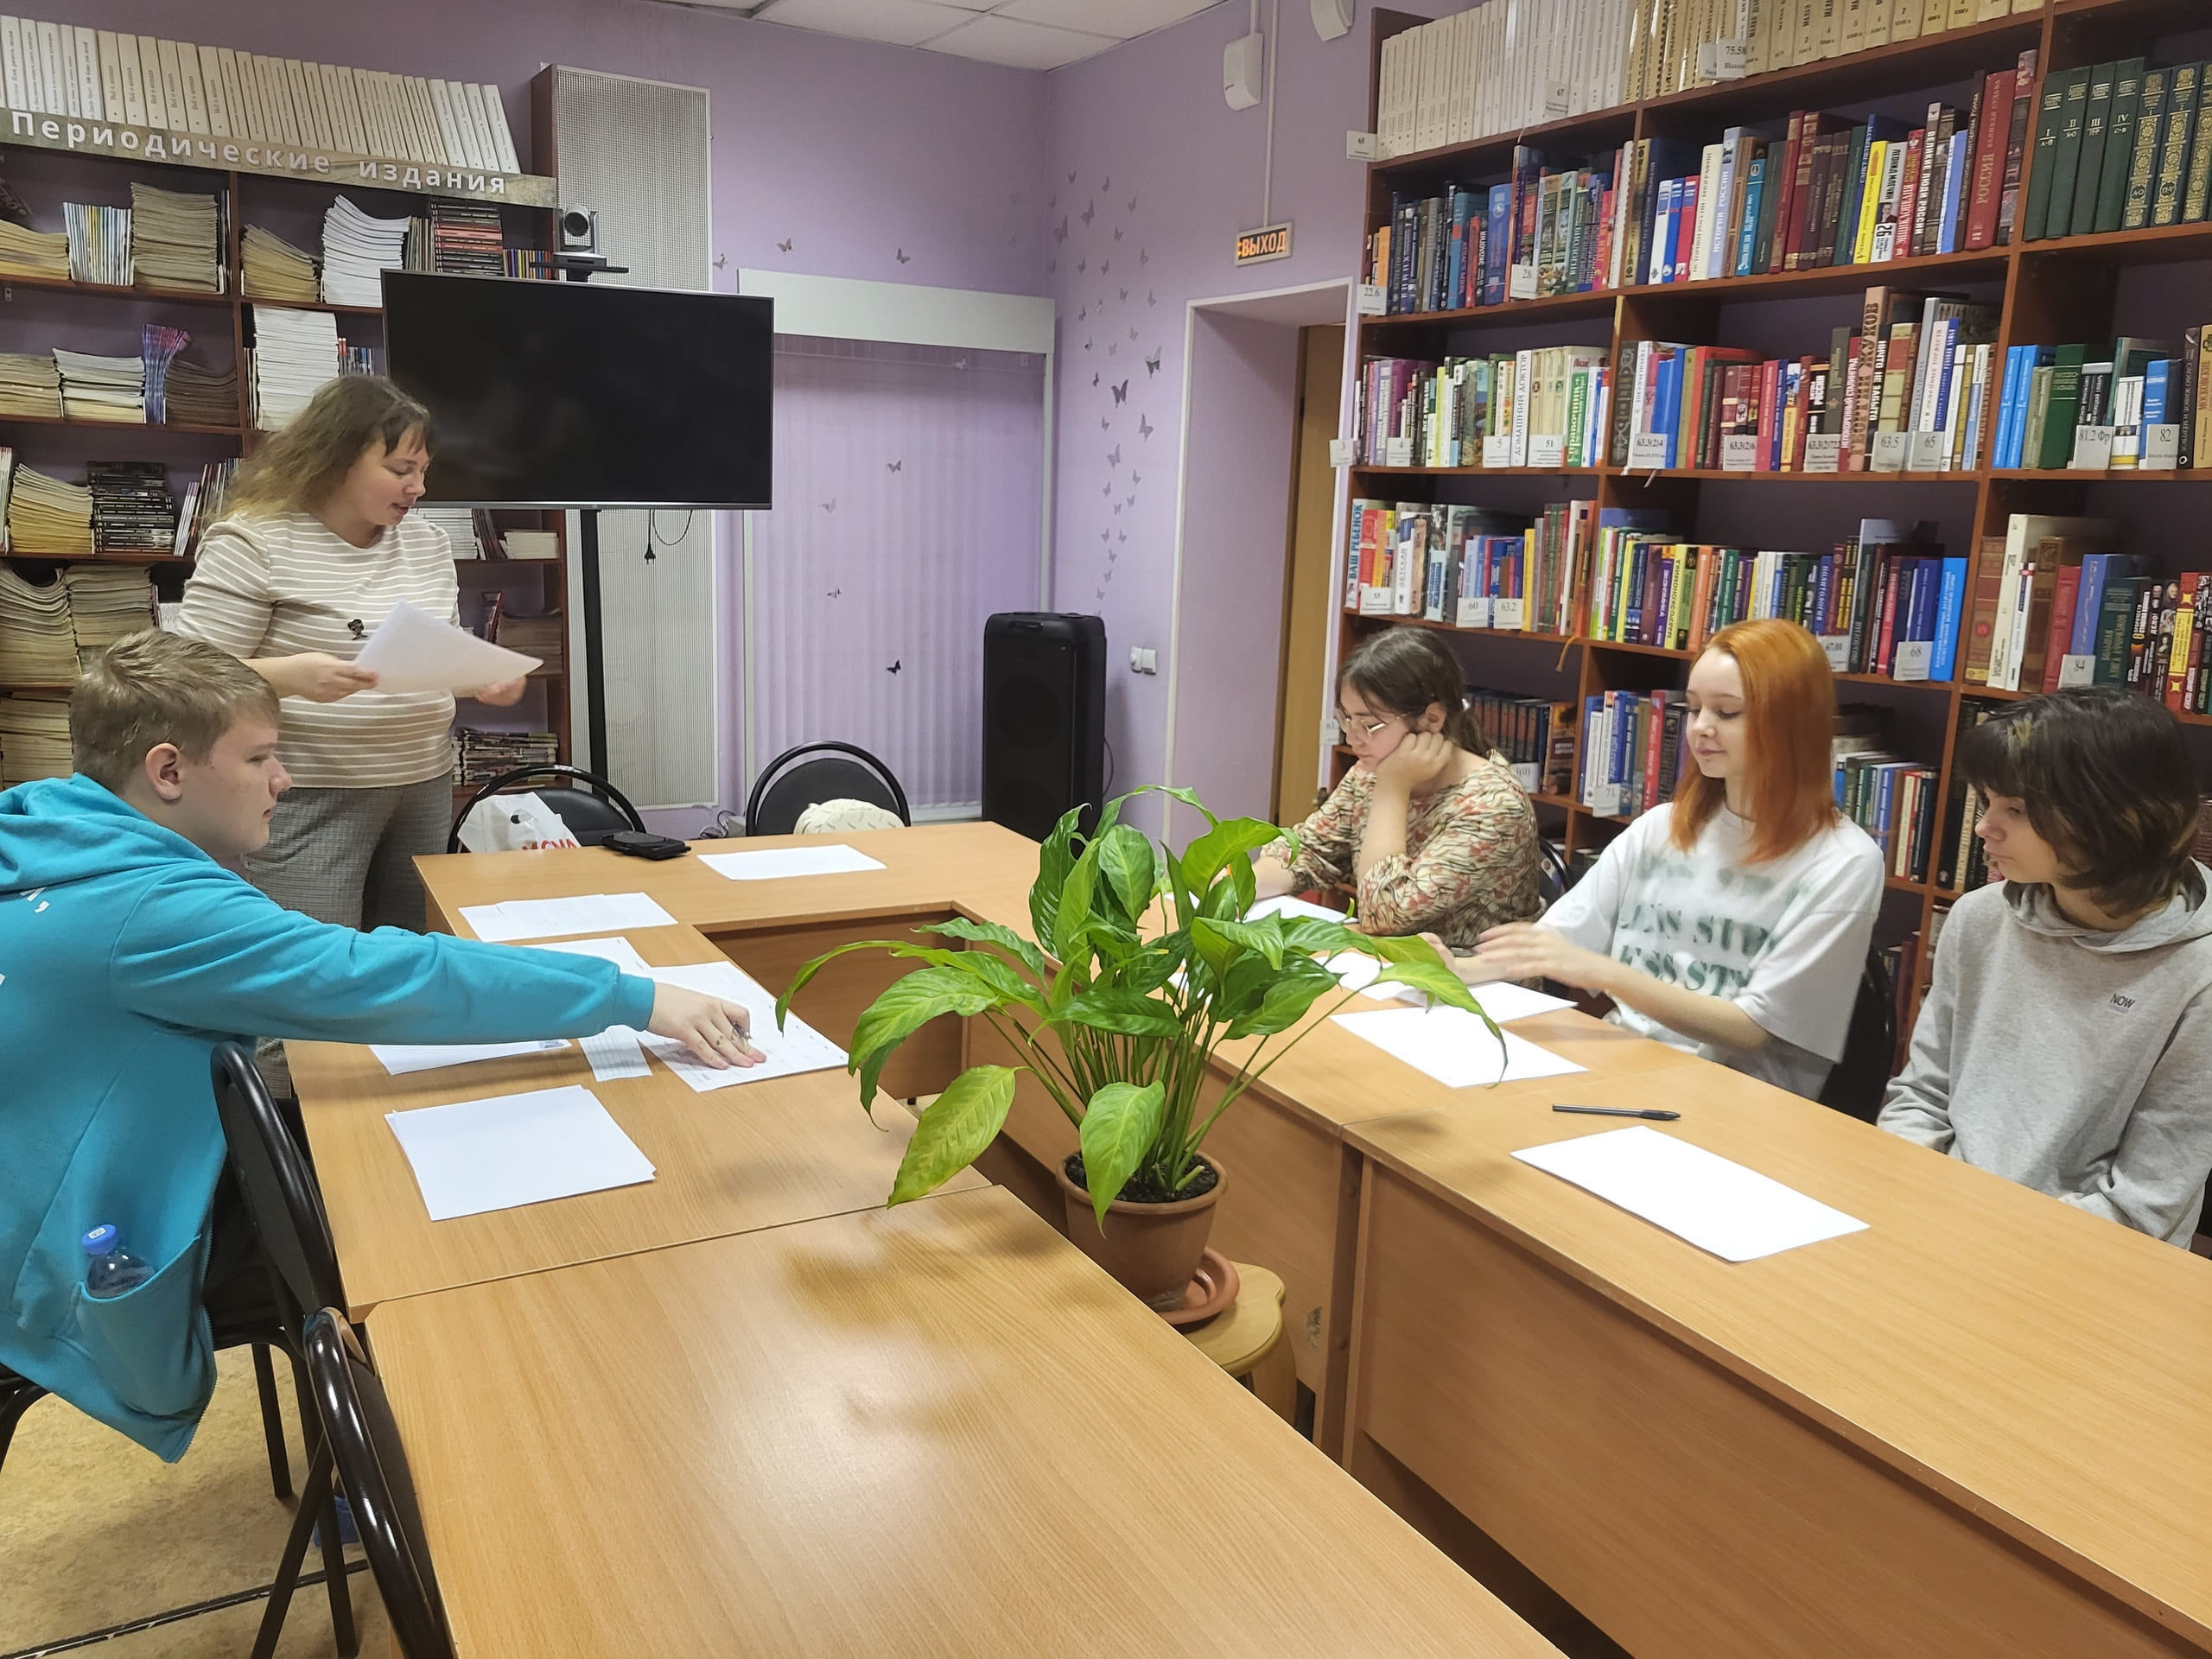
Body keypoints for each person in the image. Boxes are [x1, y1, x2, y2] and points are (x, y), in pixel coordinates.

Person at [0, 632, 759, 1461]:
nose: (283, 781)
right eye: (259, 758)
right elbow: (388, 977)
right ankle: (422, 1474)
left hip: (63, 1194)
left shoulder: (53, 825)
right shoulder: (151, 912)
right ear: (168, 771)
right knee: (428, 1234)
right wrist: (633, 995)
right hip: (70, 1259)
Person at [1444, 619, 1884, 1099]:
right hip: (1624, 1069)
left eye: (1727, 712)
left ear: (1792, 724)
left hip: (1737, 1102)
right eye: (1693, 709)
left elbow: (1751, 1029)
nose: (1701, 728)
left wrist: (1603, 971)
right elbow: (1554, 943)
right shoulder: (1660, 827)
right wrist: (1454, 968)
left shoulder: (1844, 861)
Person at [174, 373, 520, 939]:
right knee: (315, 964)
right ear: (335, 459)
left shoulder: (428, 543)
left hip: (423, 783)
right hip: (309, 794)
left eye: (423, 471)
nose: (418, 488)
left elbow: (436, 653)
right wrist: (290, 677)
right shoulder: (256, 540)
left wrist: (482, 676)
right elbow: (184, 677)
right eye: (401, 470)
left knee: (412, 952)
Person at [1878, 690, 2212, 1246]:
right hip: (1932, 1216)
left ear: (2114, 817)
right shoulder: (1978, 918)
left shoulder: (2198, 971)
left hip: (2078, 1257)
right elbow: (1922, 1095)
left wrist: (1984, 1237)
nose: (1984, 827)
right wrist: (1918, 1200)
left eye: (2017, 810)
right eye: (1987, 801)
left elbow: (2146, 1200)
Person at [1253, 626, 1541, 950]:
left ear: (1432, 719)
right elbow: (1309, 852)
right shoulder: (1372, 771)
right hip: (1389, 961)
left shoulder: (1493, 804)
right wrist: (1238, 888)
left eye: (1369, 724)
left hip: (1470, 974)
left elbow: (1383, 914)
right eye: (1346, 719)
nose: (1353, 738)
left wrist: (1392, 789)